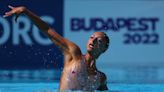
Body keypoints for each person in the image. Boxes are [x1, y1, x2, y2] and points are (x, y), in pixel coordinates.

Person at [3, 5, 110, 91]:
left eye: (99, 40)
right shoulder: (73, 53)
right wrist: (25, 11)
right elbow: (48, 30)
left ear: (104, 49)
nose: (93, 40)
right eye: (92, 37)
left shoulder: (100, 78)